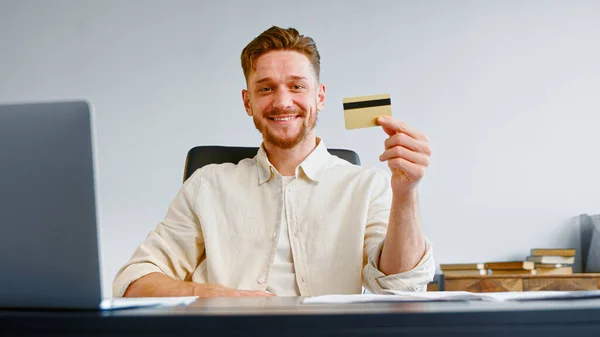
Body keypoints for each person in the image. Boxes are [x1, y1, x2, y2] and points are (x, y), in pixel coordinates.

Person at [113, 26, 435, 298]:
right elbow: (134, 281)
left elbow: (401, 286)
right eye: (266, 89)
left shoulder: (368, 186)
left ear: (319, 97)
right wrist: (221, 297)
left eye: (297, 86)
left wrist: (406, 193)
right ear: (247, 102)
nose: (282, 102)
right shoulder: (207, 185)